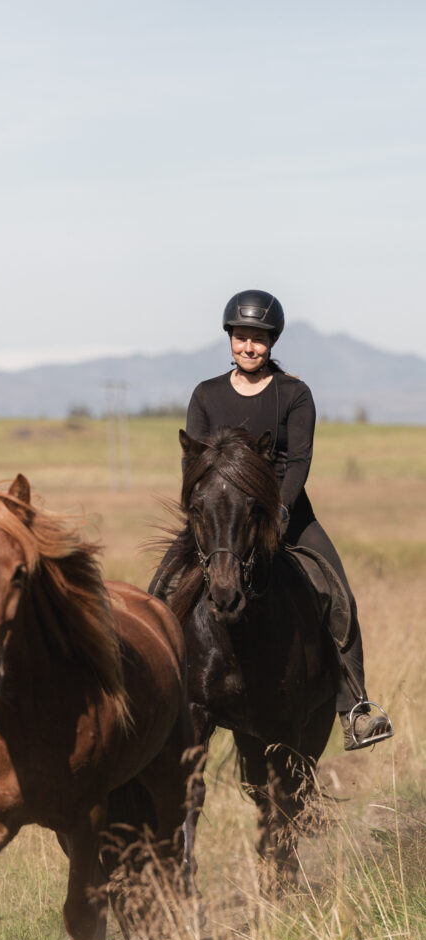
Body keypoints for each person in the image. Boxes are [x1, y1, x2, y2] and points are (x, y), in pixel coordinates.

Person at [153, 288, 392, 751]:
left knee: (338, 594)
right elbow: (194, 464)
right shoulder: (205, 395)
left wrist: (278, 511)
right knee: (160, 587)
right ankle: (148, 689)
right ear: (229, 338)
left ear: (272, 341)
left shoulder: (295, 394)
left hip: (286, 513)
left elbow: (298, 460)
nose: (248, 346)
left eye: (258, 339)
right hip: (220, 519)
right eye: (241, 337)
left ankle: (355, 706)